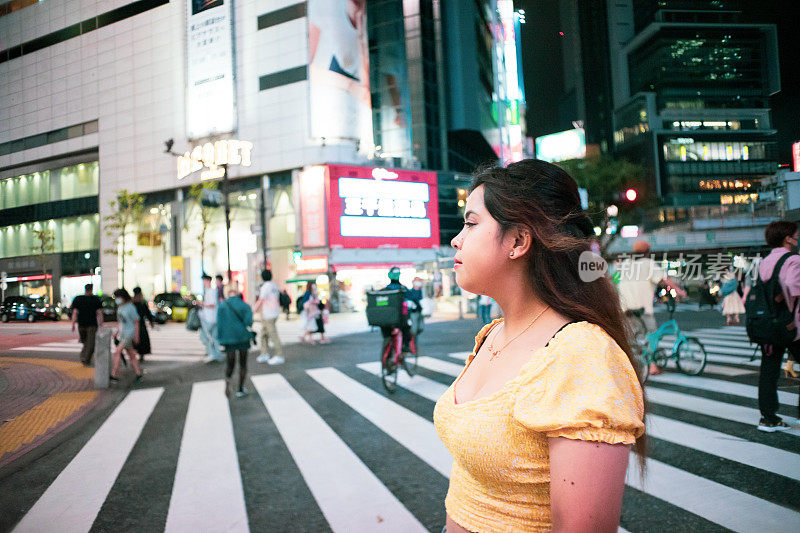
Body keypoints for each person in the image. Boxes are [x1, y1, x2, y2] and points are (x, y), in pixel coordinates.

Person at [433, 159, 644, 533]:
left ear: (518, 241)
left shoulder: (581, 354)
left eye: (470, 223)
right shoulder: (492, 333)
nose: (456, 239)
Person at [754, 221, 800, 431]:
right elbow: (793, 285)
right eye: (795, 235)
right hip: (793, 325)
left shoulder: (765, 261)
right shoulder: (793, 260)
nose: (797, 238)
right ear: (787, 238)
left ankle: (768, 418)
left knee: (769, 371)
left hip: (768, 325)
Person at [616, 240, 684, 376]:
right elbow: (664, 280)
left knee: (633, 339)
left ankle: (630, 367)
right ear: (647, 252)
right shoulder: (648, 264)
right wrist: (679, 291)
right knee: (650, 336)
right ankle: (652, 365)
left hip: (625, 310)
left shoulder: (625, 265)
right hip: (642, 310)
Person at [217, 285, 254, 398]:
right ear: (237, 292)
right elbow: (249, 322)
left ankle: (228, 383)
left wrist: (221, 341)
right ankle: (240, 388)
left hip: (229, 339)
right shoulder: (244, 305)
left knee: (230, 363)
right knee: (243, 363)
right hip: (243, 337)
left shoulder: (222, 306)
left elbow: (219, 325)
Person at [110, 289, 143, 383]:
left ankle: (113, 374)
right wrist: (116, 332)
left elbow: (136, 322)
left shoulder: (130, 307)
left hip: (129, 334)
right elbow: (119, 322)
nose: (117, 299)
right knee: (131, 354)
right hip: (123, 334)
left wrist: (136, 336)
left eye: (118, 297)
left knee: (117, 351)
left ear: (123, 297)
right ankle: (138, 373)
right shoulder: (120, 307)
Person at [253, 269, 285, 365]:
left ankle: (279, 355)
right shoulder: (274, 285)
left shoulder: (265, 286)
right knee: (264, 334)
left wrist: (253, 309)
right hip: (274, 313)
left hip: (268, 314)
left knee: (272, 334)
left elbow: (261, 300)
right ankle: (264, 353)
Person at [379, 266, 412, 354]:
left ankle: (387, 356)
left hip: (386, 318)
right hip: (400, 318)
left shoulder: (384, 290)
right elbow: (412, 297)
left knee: (387, 335)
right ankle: (406, 346)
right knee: (406, 328)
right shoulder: (403, 289)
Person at [70, 284, 103, 366]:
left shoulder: (78, 299)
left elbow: (75, 312)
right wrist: (101, 324)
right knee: (90, 343)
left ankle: (84, 358)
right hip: (92, 324)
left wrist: (73, 324)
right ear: (91, 289)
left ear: (85, 289)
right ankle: (86, 358)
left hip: (81, 325)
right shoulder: (95, 299)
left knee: (85, 342)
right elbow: (99, 313)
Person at [199, 274, 224, 363]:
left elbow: (212, 305)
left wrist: (202, 304)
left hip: (210, 318)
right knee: (214, 337)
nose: (203, 283)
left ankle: (212, 354)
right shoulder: (211, 291)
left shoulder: (211, 291)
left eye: (204, 281)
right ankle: (217, 355)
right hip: (213, 318)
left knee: (205, 336)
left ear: (208, 281)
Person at [131, 287, 155, 361]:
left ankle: (136, 355)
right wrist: (151, 322)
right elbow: (148, 314)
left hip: (134, 324)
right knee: (141, 340)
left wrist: (151, 321)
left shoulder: (133, 303)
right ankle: (140, 355)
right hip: (140, 324)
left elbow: (147, 314)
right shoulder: (141, 303)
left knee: (136, 340)